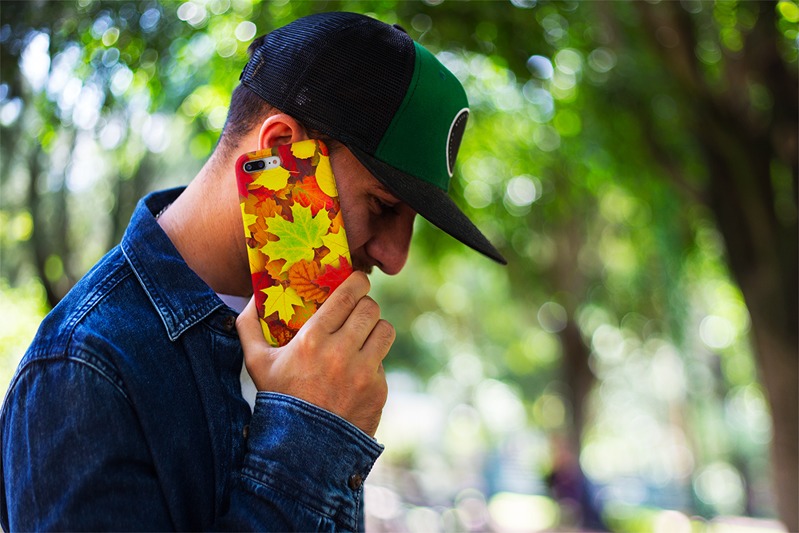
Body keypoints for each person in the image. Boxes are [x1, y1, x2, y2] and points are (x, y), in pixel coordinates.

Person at [0, 11, 506, 531]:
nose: (395, 258)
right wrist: (310, 432)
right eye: (382, 205)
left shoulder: (309, 344)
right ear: (281, 150)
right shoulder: (82, 369)